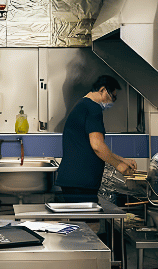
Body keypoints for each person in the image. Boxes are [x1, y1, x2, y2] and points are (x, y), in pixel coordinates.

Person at [55, 75, 137, 203]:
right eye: (112, 97)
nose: (112, 102)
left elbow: (90, 146)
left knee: (80, 221)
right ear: (103, 90)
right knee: (87, 222)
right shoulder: (94, 108)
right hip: (81, 182)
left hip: (75, 181)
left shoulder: (82, 105)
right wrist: (119, 165)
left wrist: (122, 159)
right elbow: (97, 146)